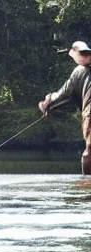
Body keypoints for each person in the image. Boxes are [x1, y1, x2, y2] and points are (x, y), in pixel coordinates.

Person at [38, 41, 91, 172]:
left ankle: (87, 186)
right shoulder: (81, 71)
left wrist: (47, 103)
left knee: (89, 153)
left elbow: (62, 94)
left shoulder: (79, 71)